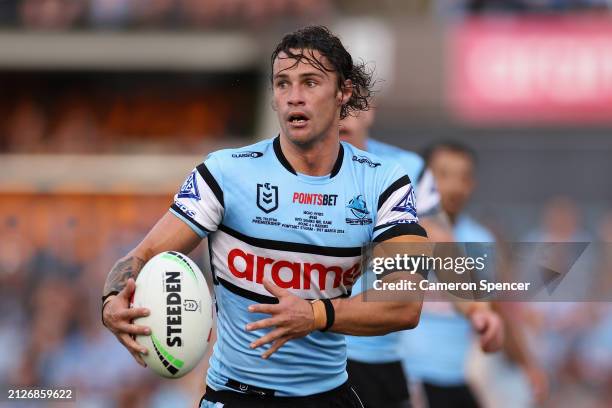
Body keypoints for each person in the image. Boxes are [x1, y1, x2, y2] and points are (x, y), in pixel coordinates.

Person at [101, 25, 429, 408]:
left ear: (344, 92)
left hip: (327, 397)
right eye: (282, 84)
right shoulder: (224, 173)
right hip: (235, 396)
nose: (294, 98)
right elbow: (142, 256)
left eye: (310, 82)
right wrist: (110, 300)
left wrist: (313, 314)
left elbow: (406, 304)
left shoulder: (385, 181)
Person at [339, 112, 504, 408]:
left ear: (369, 109)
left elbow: (437, 237)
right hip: (305, 348)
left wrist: (476, 307)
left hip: (375, 359)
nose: (343, 113)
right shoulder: (286, 162)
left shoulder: (404, 168)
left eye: (353, 103)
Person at [402, 141, 543, 408]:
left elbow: (495, 309)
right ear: (421, 180)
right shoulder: (399, 234)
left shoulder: (479, 239)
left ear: (473, 184)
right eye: (443, 175)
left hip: (458, 376)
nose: (454, 186)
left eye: (463, 177)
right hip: (407, 376)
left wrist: (528, 366)